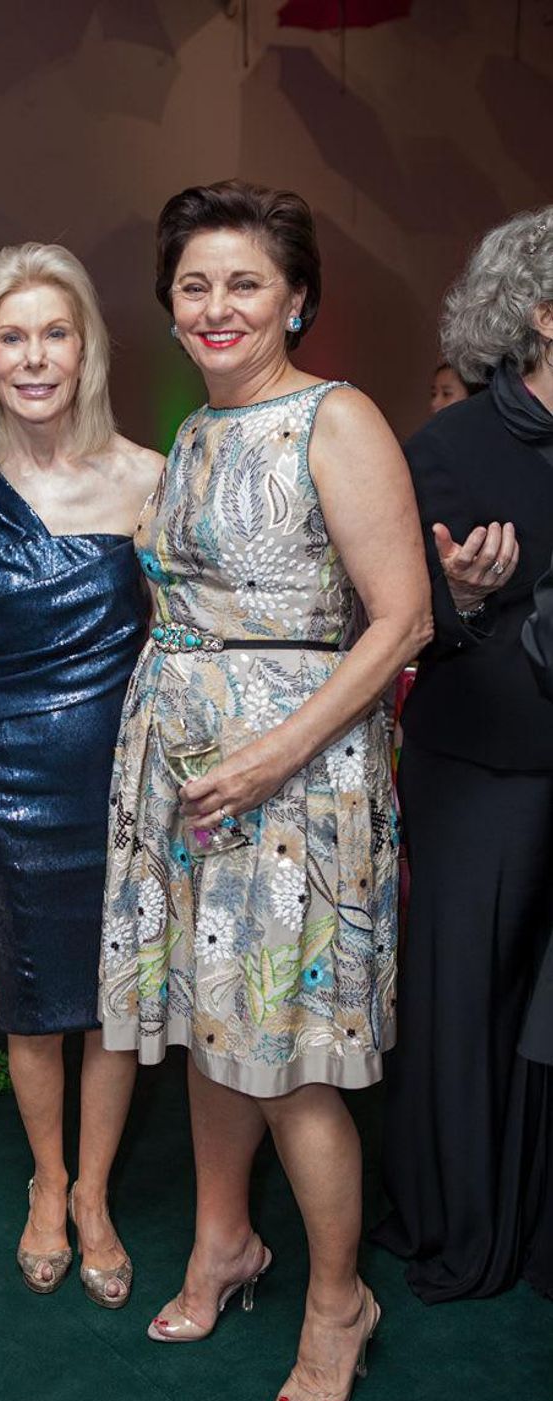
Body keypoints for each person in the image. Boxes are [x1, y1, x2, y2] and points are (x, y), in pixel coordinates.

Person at [98, 180, 431, 1401]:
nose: (217, 305)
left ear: (295, 296)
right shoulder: (191, 431)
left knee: (286, 1057)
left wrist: (268, 753)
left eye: (244, 282)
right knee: (206, 1021)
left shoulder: (332, 421)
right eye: (193, 285)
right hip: (187, 781)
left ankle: (338, 1299)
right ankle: (222, 1242)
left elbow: (400, 619)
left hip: (293, 784)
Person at [0, 243, 161, 1307]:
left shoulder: (148, 475)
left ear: (86, 349)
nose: (33, 357)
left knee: (112, 1004)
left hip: (120, 781)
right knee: (30, 1003)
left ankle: (94, 1198)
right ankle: (46, 1179)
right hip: (9, 775)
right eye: (11, 337)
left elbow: (184, 649)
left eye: (53, 334)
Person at [374, 206, 553, 1303]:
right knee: (465, 1005)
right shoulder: (445, 447)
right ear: (541, 316)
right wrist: (467, 596)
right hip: (483, 775)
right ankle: (458, 1220)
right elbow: (389, 616)